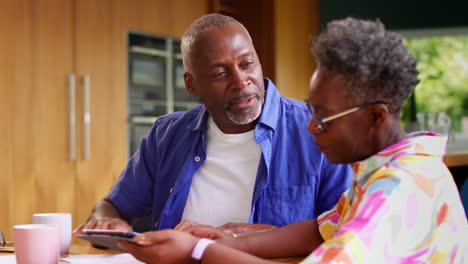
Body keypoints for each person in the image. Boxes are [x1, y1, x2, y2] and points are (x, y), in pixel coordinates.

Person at [119, 17, 468, 263]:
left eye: (322, 117)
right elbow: (320, 230)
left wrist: (196, 251)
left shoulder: (397, 191)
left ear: (374, 116)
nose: (310, 127)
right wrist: (230, 239)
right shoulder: (386, 173)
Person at [73, 14, 352, 236]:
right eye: (220, 73)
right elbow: (113, 207)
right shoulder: (167, 135)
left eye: (247, 64)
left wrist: (257, 239)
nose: (241, 82)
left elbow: (350, 233)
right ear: (192, 84)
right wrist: (106, 222)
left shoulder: (316, 130)